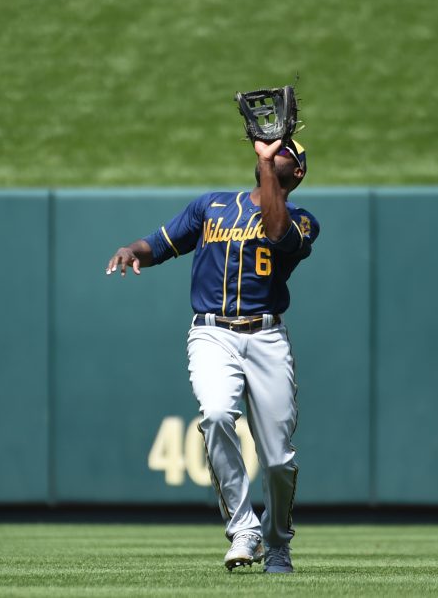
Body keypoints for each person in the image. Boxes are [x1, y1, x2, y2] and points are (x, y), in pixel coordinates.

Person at [106, 137, 319, 573]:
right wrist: (133, 249)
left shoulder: (302, 222)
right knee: (218, 414)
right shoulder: (211, 206)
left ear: (297, 172)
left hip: (266, 337)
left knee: (278, 459)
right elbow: (161, 243)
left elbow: (276, 233)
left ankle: (278, 543)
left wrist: (265, 163)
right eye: (270, 148)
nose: (273, 152)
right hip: (212, 333)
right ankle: (244, 529)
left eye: (283, 151)